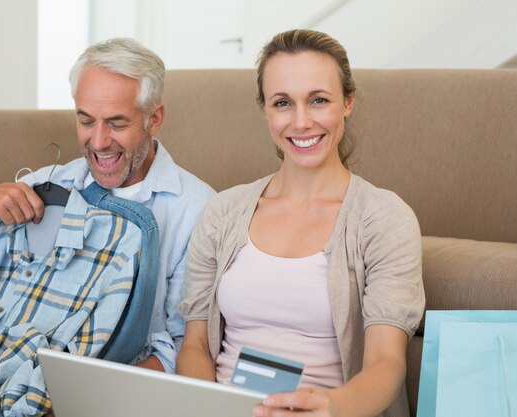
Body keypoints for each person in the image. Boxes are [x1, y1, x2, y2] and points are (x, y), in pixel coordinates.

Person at [0, 38, 215, 416]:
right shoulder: (48, 183)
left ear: (154, 118)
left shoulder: (196, 211)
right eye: (85, 120)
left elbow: (186, 347)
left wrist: (76, 398)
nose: (98, 141)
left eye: (117, 123)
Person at [176, 29, 425, 417]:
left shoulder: (384, 218)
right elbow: (195, 346)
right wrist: (206, 407)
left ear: (348, 102)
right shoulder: (223, 212)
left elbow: (386, 364)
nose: (302, 121)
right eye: (282, 103)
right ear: (266, 110)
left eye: (319, 100)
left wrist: (329, 409)